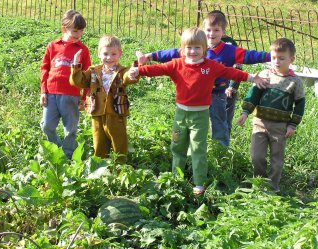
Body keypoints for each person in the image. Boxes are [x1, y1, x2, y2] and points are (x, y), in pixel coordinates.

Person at [130, 27, 269, 196]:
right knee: (177, 147)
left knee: (198, 150)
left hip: (200, 116)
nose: (193, 51)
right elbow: (157, 69)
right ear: (182, 49)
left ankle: (199, 184)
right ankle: (176, 179)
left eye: (197, 47)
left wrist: (253, 77)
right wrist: (138, 70)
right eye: (189, 47)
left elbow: (231, 72)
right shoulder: (176, 64)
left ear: (205, 49)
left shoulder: (211, 66)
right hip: (180, 115)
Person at [137, 11, 270, 147]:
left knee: (219, 122)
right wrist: (150, 56)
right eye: (208, 30)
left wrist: (272, 57)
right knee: (192, 123)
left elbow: (251, 55)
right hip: (196, 95)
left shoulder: (230, 50)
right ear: (203, 30)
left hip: (217, 94)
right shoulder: (196, 48)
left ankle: (221, 150)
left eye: (216, 30)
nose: (211, 34)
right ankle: (190, 147)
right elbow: (172, 53)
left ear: (223, 33)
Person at [237, 38, 305, 192]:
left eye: (281, 58)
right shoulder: (264, 75)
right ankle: (260, 183)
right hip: (259, 123)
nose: (277, 61)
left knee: (277, 159)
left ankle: (273, 187)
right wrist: (245, 112)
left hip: (280, 126)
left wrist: (292, 125)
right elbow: (253, 95)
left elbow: (300, 105)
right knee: (257, 156)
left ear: (291, 59)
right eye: (274, 58)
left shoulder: (295, 82)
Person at [70, 35, 138, 164]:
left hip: (116, 114)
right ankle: (100, 169)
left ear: (120, 54)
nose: (109, 58)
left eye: (113, 54)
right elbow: (78, 81)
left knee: (119, 142)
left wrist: (133, 71)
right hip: (97, 113)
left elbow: (128, 77)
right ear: (99, 54)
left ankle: (120, 168)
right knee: (99, 143)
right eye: (105, 53)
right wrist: (75, 66)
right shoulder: (93, 71)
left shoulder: (122, 71)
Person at [40, 9, 91, 159]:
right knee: (47, 126)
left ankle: (67, 156)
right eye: (75, 30)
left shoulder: (83, 50)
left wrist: (85, 97)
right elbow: (44, 68)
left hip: (72, 95)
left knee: (71, 129)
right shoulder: (53, 46)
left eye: (81, 31)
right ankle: (57, 150)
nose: (78, 34)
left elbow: (87, 75)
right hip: (51, 93)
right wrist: (43, 91)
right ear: (64, 28)